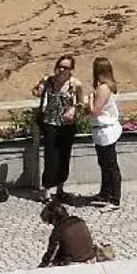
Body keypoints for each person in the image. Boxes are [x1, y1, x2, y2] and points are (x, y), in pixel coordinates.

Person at [34, 54, 84, 198]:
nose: (62, 69)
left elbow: (81, 103)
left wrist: (74, 109)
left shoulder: (75, 84)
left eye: (66, 67)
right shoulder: (49, 80)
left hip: (67, 124)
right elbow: (36, 92)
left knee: (64, 156)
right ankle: (47, 189)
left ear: (71, 69)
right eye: (60, 66)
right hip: (50, 123)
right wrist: (39, 87)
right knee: (51, 157)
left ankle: (60, 187)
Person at [88, 57, 122, 208]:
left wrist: (90, 99)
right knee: (104, 163)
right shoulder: (108, 86)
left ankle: (114, 199)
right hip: (103, 130)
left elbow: (95, 110)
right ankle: (105, 192)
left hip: (105, 130)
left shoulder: (103, 88)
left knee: (110, 165)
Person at [40, 201, 101, 266]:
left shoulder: (58, 231)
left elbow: (51, 254)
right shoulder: (78, 220)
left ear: (53, 219)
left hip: (76, 262)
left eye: (50, 222)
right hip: (92, 256)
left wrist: (42, 265)